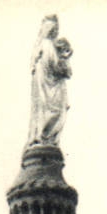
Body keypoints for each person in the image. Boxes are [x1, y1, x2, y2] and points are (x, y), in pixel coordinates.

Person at [27, 16, 73, 148]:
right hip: (49, 89)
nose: (55, 32)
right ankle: (45, 138)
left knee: (45, 112)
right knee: (54, 111)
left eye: (55, 29)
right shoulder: (47, 45)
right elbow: (55, 65)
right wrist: (65, 61)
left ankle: (42, 138)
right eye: (53, 29)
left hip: (47, 87)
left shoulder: (42, 46)